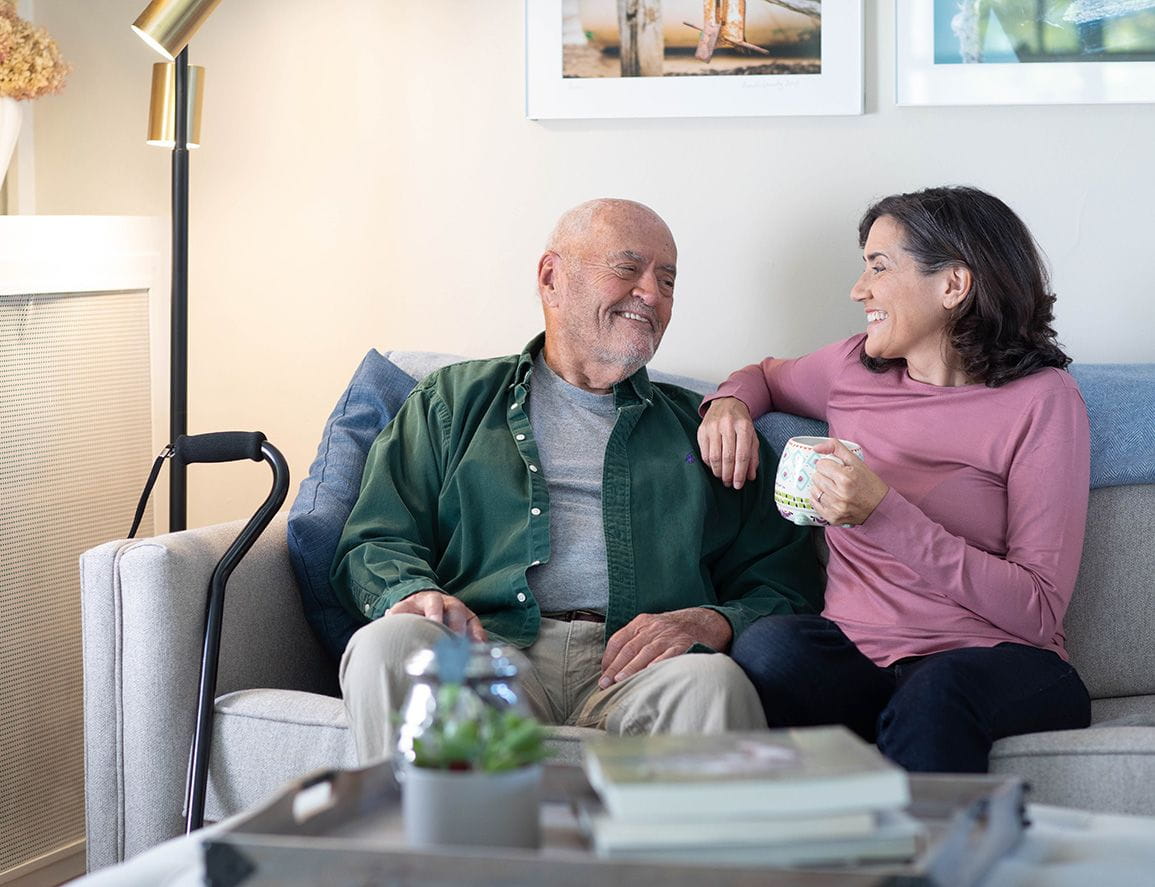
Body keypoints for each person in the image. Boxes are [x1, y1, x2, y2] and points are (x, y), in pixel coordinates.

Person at [332, 198, 824, 763]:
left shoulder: (706, 428)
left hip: (644, 669)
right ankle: (420, 850)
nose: (652, 294)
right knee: (389, 646)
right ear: (551, 277)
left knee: (715, 686)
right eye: (628, 268)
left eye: (667, 281)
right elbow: (375, 539)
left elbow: (785, 585)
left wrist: (714, 620)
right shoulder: (451, 401)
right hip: (487, 651)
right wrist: (414, 594)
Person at [697, 186, 1092, 773]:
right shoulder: (852, 369)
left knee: (936, 692)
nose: (859, 290)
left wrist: (884, 513)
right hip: (860, 665)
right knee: (771, 647)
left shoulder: (1042, 401)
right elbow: (763, 376)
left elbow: (1037, 609)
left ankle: (918, 859)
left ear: (953, 285)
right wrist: (727, 404)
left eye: (878, 267)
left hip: (994, 661)